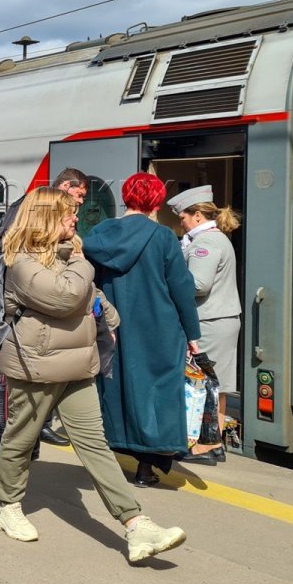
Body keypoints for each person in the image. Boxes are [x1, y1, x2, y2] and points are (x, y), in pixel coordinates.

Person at [0, 187, 187, 564]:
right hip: (37, 364)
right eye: (67, 213)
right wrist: (84, 262)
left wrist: (109, 314)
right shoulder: (21, 261)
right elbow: (64, 297)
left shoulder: (67, 256)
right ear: (47, 217)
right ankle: (7, 506)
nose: (75, 218)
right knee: (21, 437)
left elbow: (89, 295)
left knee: (94, 443)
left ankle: (136, 524)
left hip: (78, 363)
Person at [83, 173, 202, 487]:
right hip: (157, 330)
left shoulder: (99, 233)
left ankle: (107, 460)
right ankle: (145, 469)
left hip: (110, 327)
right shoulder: (162, 237)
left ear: (126, 197)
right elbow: (181, 287)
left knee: (113, 389)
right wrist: (192, 334)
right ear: (156, 203)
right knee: (156, 393)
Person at [0, 167, 89, 449]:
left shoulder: (45, 208)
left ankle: (34, 428)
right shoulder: (34, 207)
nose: (82, 202)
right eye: (80, 193)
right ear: (65, 186)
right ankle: (29, 431)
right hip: (24, 300)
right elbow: (19, 253)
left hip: (32, 297)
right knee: (26, 374)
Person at [170, 185, 242, 462]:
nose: (181, 222)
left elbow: (199, 284)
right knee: (216, 384)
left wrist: (168, 280)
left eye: (184, 217)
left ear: (198, 215)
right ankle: (213, 442)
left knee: (207, 385)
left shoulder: (206, 243)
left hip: (210, 320)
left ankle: (207, 444)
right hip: (219, 318)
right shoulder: (213, 239)